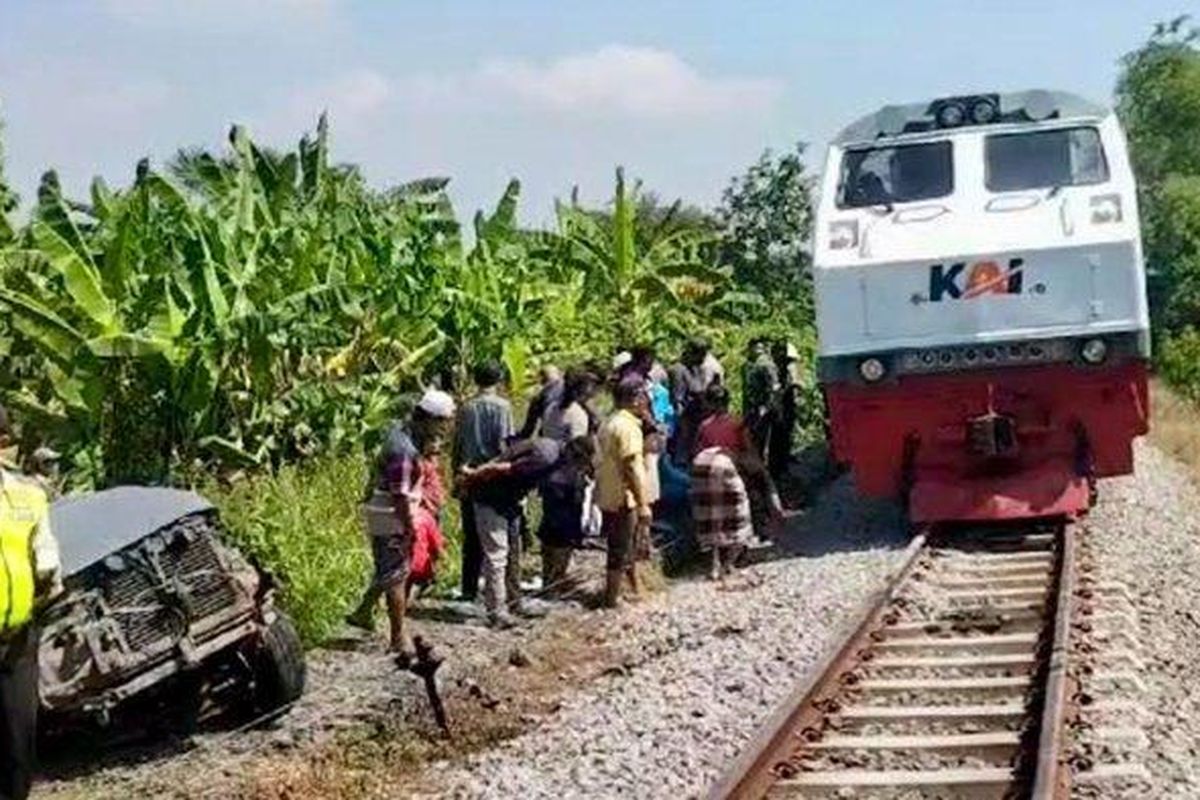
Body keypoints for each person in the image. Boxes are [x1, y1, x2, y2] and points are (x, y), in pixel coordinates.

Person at [347, 389, 455, 654]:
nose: (447, 427)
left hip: (388, 507)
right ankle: (398, 636)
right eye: (444, 421)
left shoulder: (406, 432)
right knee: (397, 574)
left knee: (390, 567)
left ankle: (363, 613)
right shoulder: (402, 450)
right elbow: (400, 496)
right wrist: (409, 527)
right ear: (430, 419)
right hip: (390, 512)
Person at [457, 436, 591, 626]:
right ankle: (497, 612)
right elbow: (500, 468)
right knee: (497, 557)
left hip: (509, 501)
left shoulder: (553, 450)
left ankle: (514, 603)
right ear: (575, 455)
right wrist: (471, 475)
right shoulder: (547, 458)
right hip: (491, 498)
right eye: (583, 464)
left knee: (514, 554)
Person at [0, 406, 62, 800]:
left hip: (17, 644)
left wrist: (50, 582)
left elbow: (47, 562)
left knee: (17, 752)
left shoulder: (28, 497)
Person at [451, 360, 515, 602]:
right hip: (494, 477)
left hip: (469, 476)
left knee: (471, 537)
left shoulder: (467, 408)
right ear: (498, 379)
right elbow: (505, 445)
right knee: (497, 538)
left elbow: (457, 446)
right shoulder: (503, 407)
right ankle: (497, 592)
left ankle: (469, 590)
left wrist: (456, 476)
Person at [595, 379, 654, 608]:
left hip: (607, 493)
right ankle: (611, 599)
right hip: (623, 496)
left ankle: (633, 588)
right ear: (636, 399)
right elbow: (631, 466)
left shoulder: (608, 421)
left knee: (624, 545)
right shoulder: (628, 427)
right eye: (644, 397)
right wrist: (643, 503)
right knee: (620, 547)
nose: (646, 402)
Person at [669, 338, 720, 464]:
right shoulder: (679, 370)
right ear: (692, 353)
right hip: (686, 422)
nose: (702, 359)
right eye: (701, 355)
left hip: (697, 421)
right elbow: (678, 401)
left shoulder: (695, 369)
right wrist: (683, 428)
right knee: (682, 458)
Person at [742, 338, 780, 461]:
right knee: (751, 439)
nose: (757, 351)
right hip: (751, 408)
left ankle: (762, 468)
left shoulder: (767, 365)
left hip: (762, 408)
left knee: (761, 440)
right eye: (754, 348)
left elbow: (774, 388)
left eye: (760, 348)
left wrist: (767, 406)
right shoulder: (747, 365)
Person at [769, 340, 802, 480]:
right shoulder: (774, 368)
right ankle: (777, 469)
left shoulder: (788, 368)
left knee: (784, 436)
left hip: (787, 406)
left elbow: (795, 384)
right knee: (778, 439)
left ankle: (782, 465)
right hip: (781, 407)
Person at [514, 365, 563, 441]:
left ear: (542, 380)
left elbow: (530, 424)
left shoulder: (540, 397)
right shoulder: (567, 389)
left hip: (547, 432)